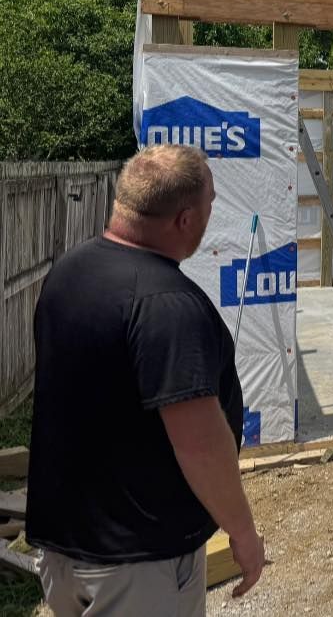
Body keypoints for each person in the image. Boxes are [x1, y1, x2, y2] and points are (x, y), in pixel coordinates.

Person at [26, 144, 264, 616]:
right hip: (138, 566)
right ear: (184, 220)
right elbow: (199, 443)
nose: (212, 213)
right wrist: (242, 532)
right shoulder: (166, 304)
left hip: (65, 550)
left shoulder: (68, 273)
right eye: (210, 203)